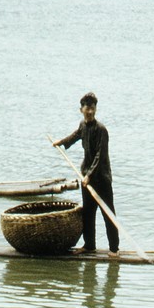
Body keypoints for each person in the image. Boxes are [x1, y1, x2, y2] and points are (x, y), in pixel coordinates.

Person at [56, 92, 118, 254]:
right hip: (86, 177)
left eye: (93, 108)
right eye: (87, 109)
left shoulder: (101, 130)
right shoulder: (83, 125)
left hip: (101, 178)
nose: (90, 112)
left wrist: (90, 175)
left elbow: (100, 155)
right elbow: (76, 135)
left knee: (108, 213)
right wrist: (61, 143)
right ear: (81, 110)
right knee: (88, 213)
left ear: (95, 109)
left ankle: (114, 249)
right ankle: (89, 245)